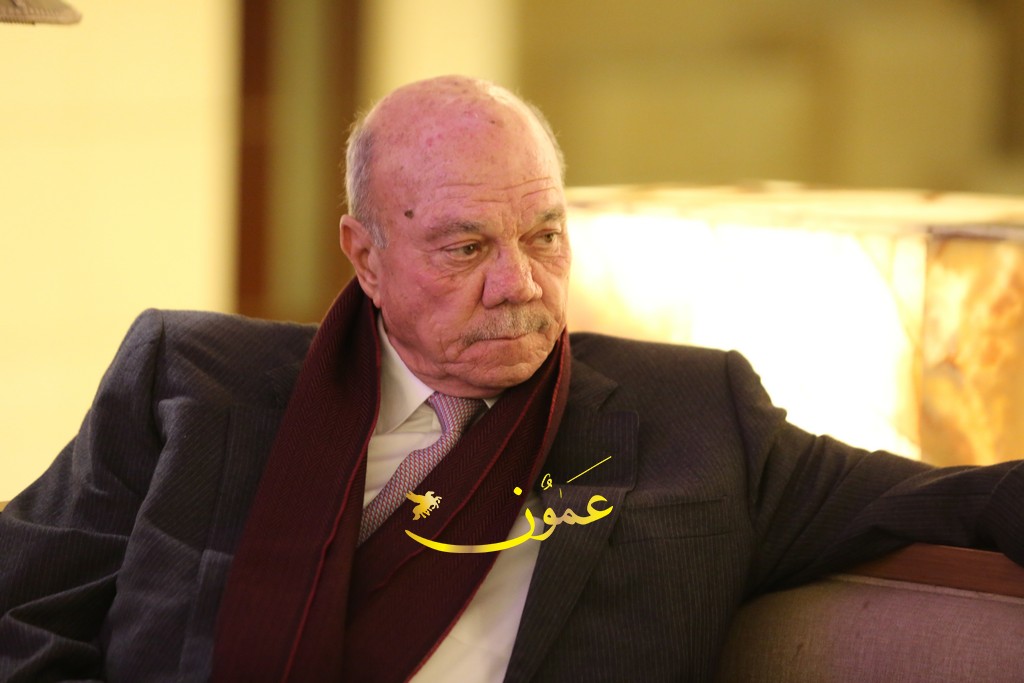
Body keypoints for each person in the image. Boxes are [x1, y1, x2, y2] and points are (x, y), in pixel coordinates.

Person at [1, 74, 1022, 683]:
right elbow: (17, 610)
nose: (519, 283)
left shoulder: (696, 419)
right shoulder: (190, 384)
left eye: (544, 235)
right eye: (465, 247)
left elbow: (954, 499)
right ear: (364, 255)